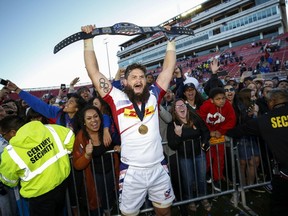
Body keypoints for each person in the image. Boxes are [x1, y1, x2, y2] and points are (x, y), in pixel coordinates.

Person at [81, 24, 176, 216]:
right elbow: (93, 72)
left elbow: (168, 68)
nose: (138, 79)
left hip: (158, 166)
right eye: (133, 77)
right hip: (132, 171)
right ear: (126, 81)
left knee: (164, 212)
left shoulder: (154, 94)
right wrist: (88, 40)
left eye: (141, 76)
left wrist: (171, 40)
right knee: (128, 214)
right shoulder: (116, 97)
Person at [226, 89, 288, 216]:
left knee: (280, 207)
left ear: (272, 101)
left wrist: (224, 132)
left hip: (284, 175)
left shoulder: (265, 120)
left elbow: (240, 130)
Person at [0, 116, 75, 216]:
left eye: (3, 135)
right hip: (61, 185)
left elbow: (8, 180)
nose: (3, 138)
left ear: (13, 132)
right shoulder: (48, 129)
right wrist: (66, 152)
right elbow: (69, 136)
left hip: (39, 196)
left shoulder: (10, 153)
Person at [73, 105, 120, 216]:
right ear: (84, 122)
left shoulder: (106, 130)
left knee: (110, 205)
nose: (93, 120)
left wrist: (118, 147)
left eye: (96, 116)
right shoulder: (81, 137)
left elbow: (120, 142)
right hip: (94, 181)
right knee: (97, 209)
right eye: (89, 118)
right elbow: (77, 165)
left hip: (111, 176)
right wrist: (87, 155)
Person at [167, 98, 211, 212]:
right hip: (184, 157)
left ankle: (204, 198)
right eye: (178, 106)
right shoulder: (173, 124)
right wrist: (178, 135)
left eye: (183, 105)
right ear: (174, 111)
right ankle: (190, 200)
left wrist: (205, 142)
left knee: (201, 178)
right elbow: (172, 145)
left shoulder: (195, 118)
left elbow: (205, 131)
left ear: (186, 108)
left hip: (199, 154)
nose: (181, 107)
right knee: (188, 180)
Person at [197, 87, 236, 191]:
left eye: (223, 98)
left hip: (219, 136)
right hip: (207, 136)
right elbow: (200, 121)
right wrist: (209, 132)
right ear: (211, 100)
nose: (222, 101)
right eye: (218, 99)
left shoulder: (227, 105)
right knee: (207, 157)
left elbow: (232, 120)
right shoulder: (206, 106)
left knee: (219, 158)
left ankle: (217, 178)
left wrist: (221, 131)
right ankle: (205, 175)